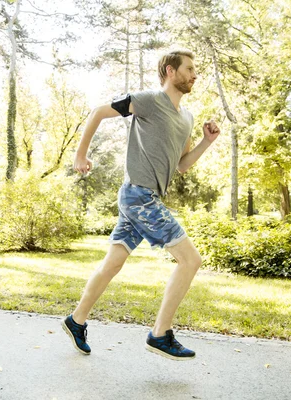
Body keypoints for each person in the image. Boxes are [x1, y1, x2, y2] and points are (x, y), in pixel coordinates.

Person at [62, 49, 221, 361]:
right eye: (189, 68)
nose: (194, 74)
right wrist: (80, 155)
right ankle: (160, 333)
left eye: (195, 70)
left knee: (113, 264)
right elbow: (97, 112)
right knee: (190, 261)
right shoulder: (148, 100)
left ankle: (75, 320)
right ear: (170, 71)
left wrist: (206, 142)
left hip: (145, 198)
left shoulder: (186, 117)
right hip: (139, 196)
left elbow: (182, 165)